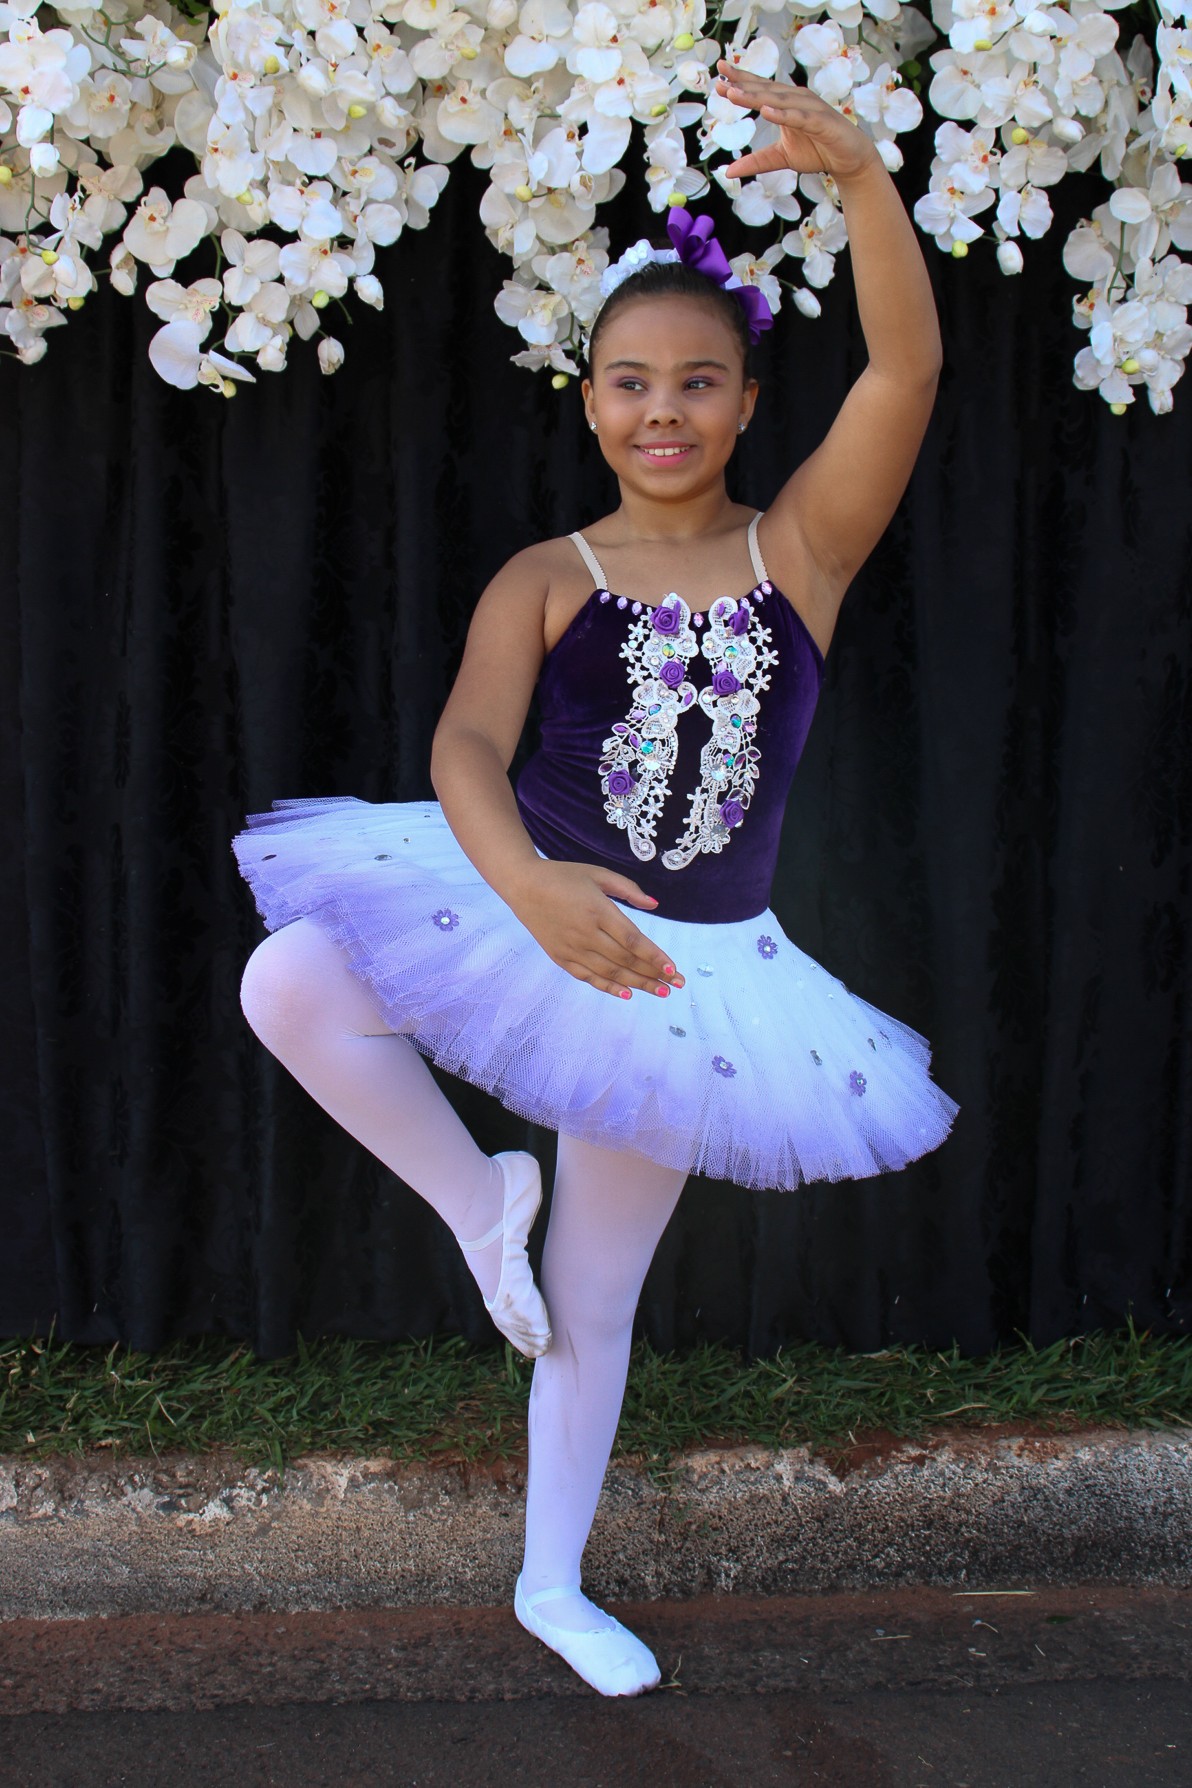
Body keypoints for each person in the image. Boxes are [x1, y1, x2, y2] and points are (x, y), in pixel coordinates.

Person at [232, 59, 959, 1698]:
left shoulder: (800, 555)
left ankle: (551, 1583)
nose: (663, 412)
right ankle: (474, 1196)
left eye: (699, 383)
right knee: (290, 980)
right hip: (523, 909)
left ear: (749, 403)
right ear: (587, 402)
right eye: (630, 383)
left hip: (686, 974)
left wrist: (862, 182)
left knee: (591, 1300)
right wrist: (534, 889)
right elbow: (465, 750)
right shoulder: (546, 575)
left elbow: (907, 367)